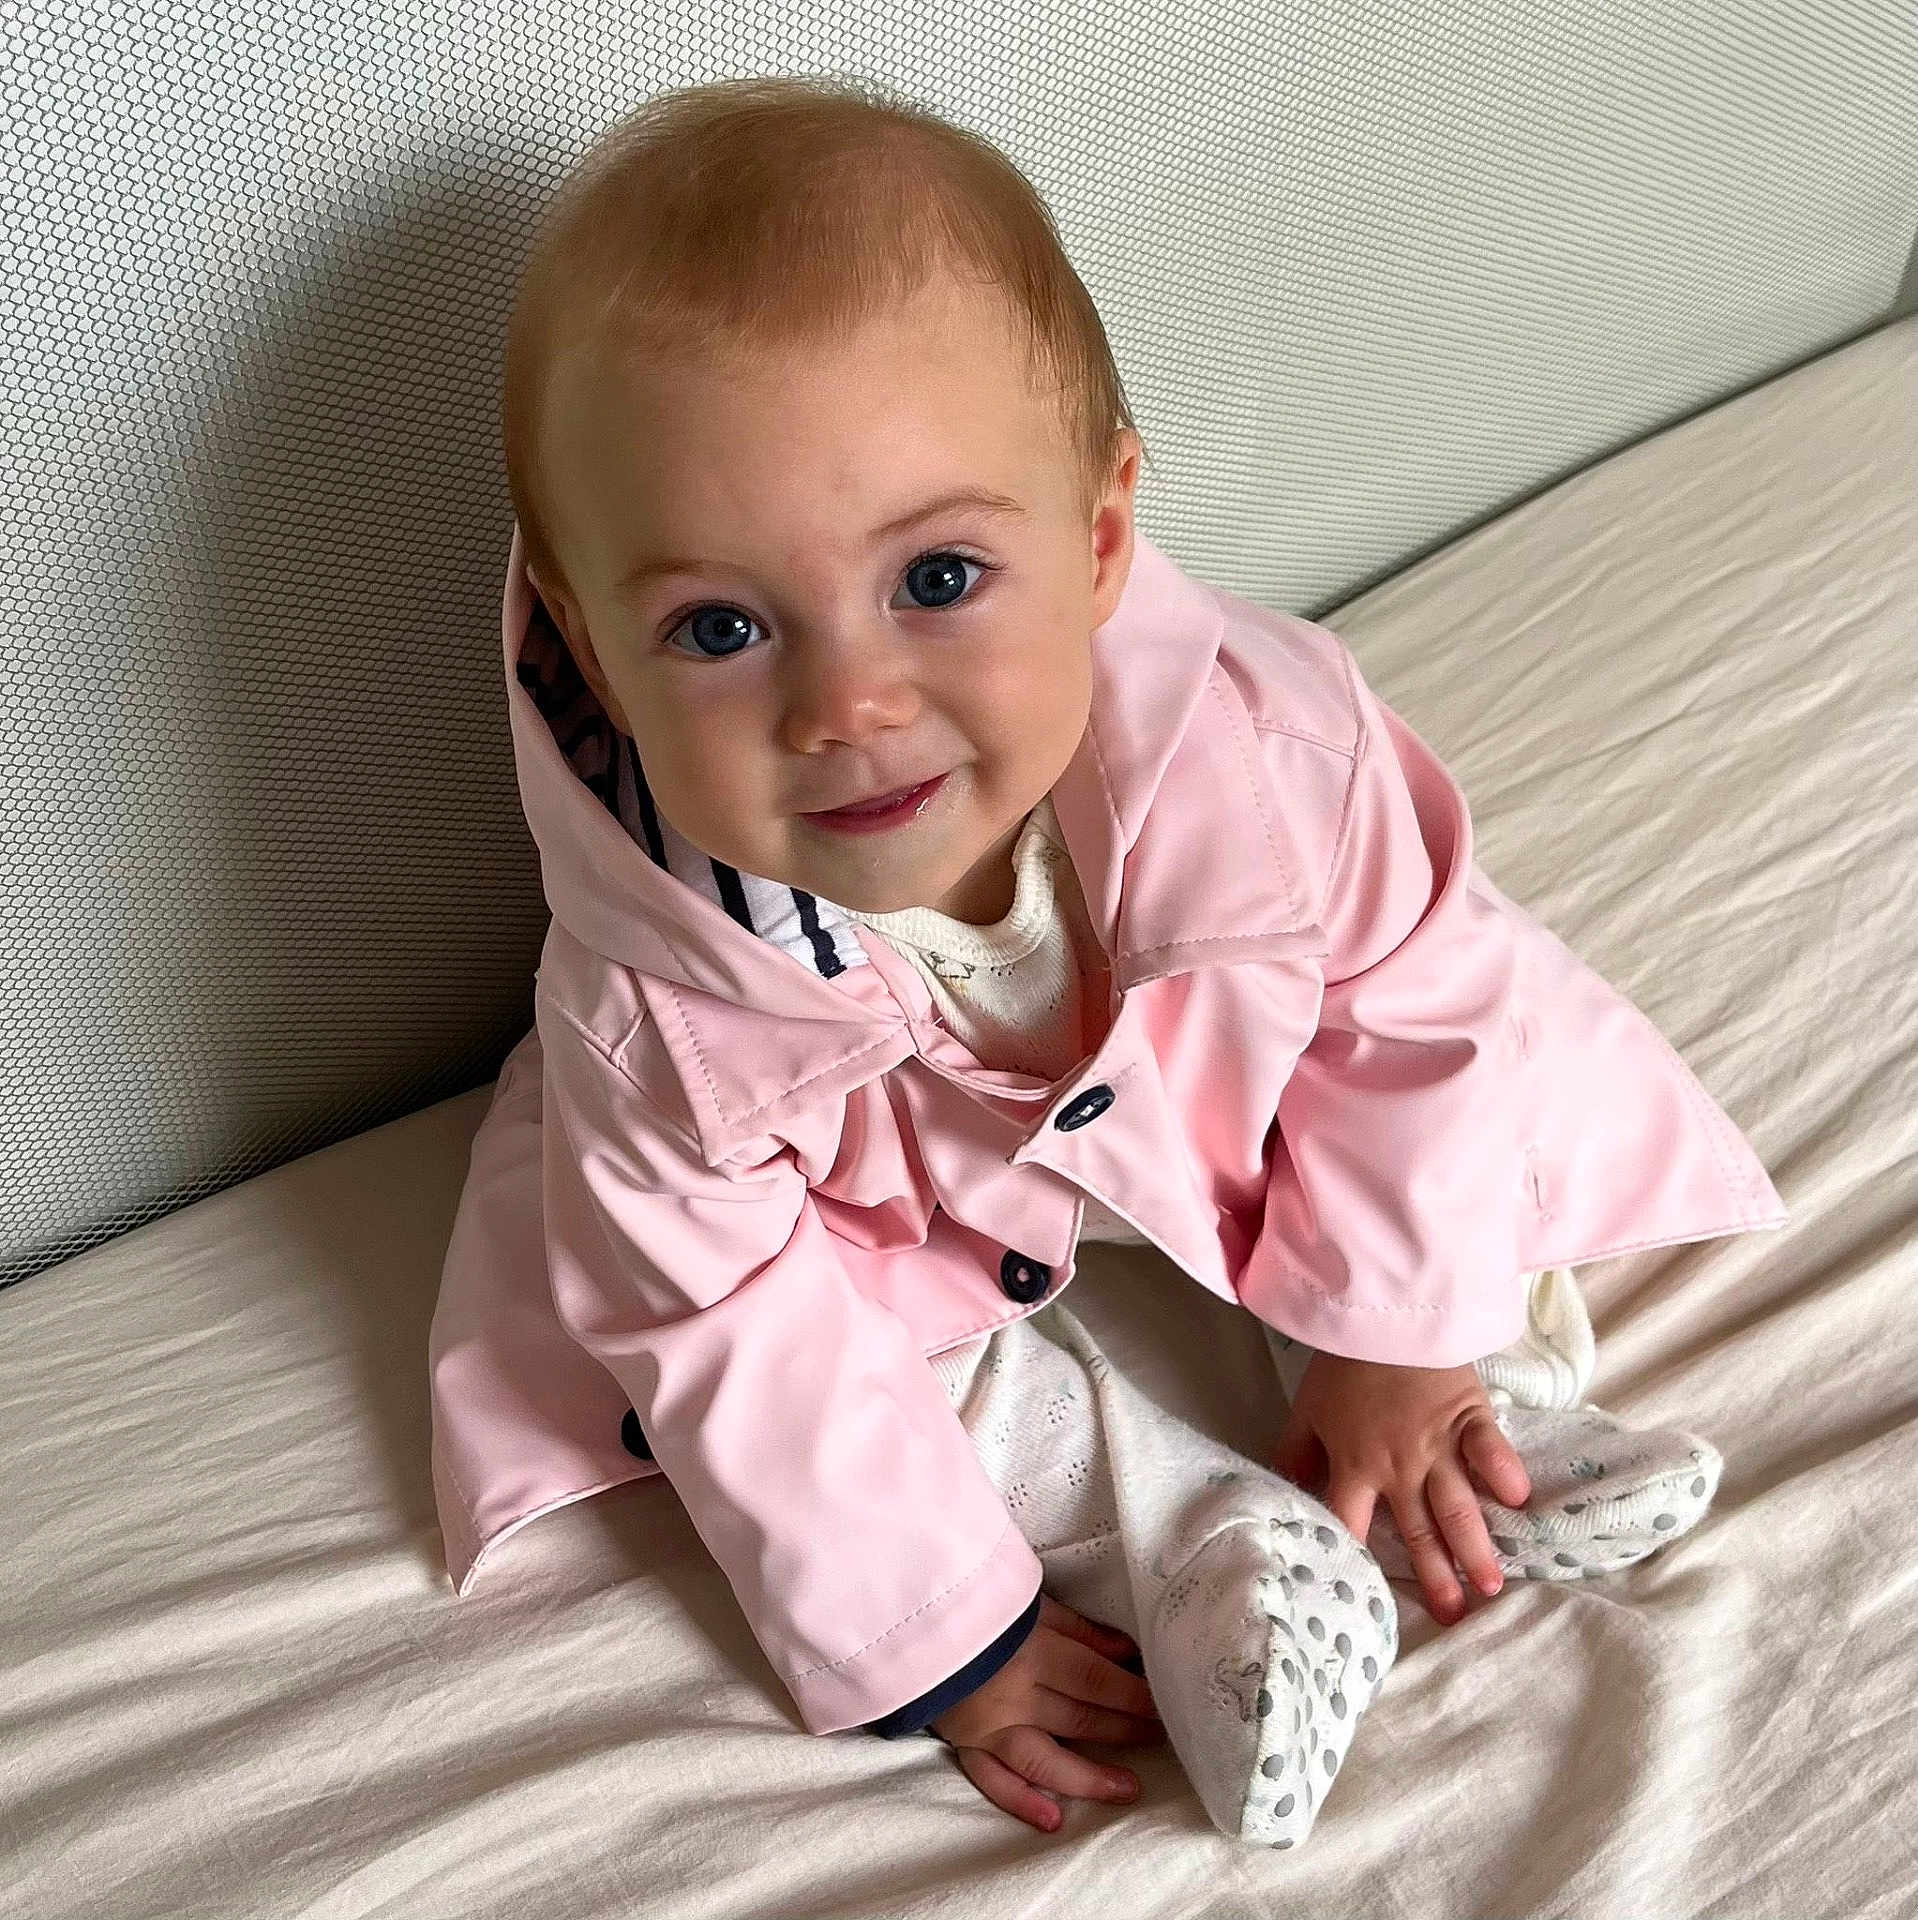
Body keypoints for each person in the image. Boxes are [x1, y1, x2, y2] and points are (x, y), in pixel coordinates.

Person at [427, 75, 1786, 1849]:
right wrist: (943, 1640)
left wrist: (1393, 1334)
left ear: (1095, 540)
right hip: (892, 1224)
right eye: (719, 628)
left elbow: (1413, 1008)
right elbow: (724, 1327)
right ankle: (1197, 1541)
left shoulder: (1270, 759)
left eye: (937, 577)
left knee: (1457, 1107)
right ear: (600, 671)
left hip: (1223, 1089)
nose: (846, 705)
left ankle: (1471, 1409)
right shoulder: (658, 1021)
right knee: (855, 1390)